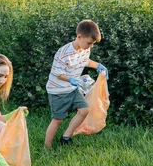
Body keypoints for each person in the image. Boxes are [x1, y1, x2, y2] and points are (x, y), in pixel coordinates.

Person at [44, 19, 108, 149]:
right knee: (57, 120)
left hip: (72, 88)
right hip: (58, 91)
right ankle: (47, 147)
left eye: (92, 44)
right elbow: (58, 73)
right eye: (89, 43)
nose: (90, 46)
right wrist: (70, 79)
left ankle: (66, 137)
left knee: (84, 110)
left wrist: (98, 66)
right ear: (79, 37)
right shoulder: (64, 53)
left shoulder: (84, 50)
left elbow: (85, 61)